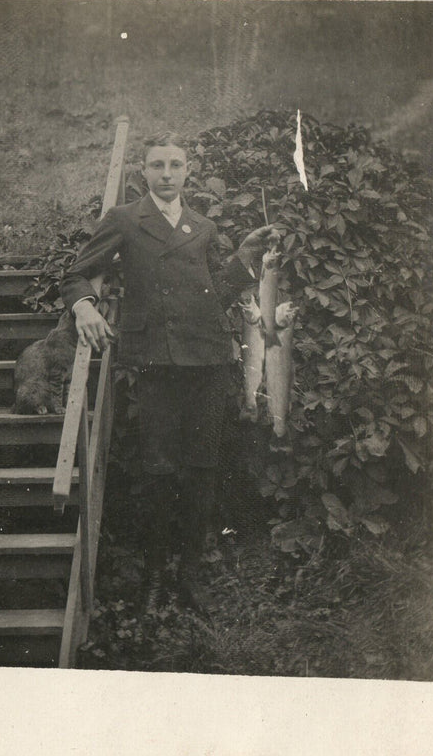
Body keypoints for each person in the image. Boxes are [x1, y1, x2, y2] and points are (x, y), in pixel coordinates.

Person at [60, 131, 279, 611]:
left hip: (208, 362)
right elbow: (77, 272)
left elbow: (216, 294)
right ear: (143, 171)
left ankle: (191, 575)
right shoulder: (124, 219)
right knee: (158, 471)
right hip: (156, 363)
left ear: (187, 171)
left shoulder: (202, 226)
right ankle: (155, 575)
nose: (166, 174)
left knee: (201, 470)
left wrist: (243, 257)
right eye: (157, 165)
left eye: (175, 165)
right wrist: (84, 307)